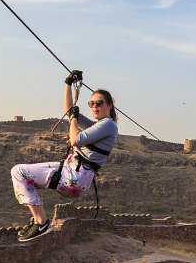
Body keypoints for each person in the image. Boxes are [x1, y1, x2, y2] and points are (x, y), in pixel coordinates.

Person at [11, 70, 118, 241]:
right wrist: (68, 84)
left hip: (73, 176)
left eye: (99, 103)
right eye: (91, 104)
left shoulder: (108, 125)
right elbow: (69, 111)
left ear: (110, 105)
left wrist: (74, 119)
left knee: (19, 172)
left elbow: (75, 139)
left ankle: (41, 222)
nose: (94, 107)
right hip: (75, 178)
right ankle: (38, 221)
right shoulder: (98, 126)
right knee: (25, 176)